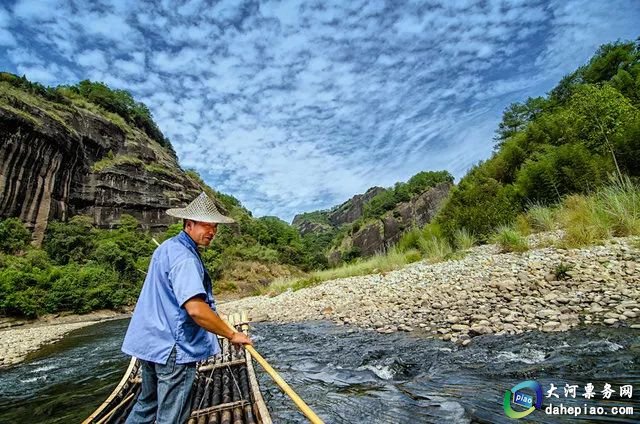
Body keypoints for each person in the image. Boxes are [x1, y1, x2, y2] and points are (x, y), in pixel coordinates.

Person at [121, 192, 252, 424]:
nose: (212, 232)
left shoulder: (167, 248)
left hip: (149, 342)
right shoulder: (186, 258)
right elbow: (195, 309)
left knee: (146, 405)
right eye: (206, 225)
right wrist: (232, 334)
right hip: (172, 347)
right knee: (172, 416)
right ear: (188, 224)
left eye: (215, 227)